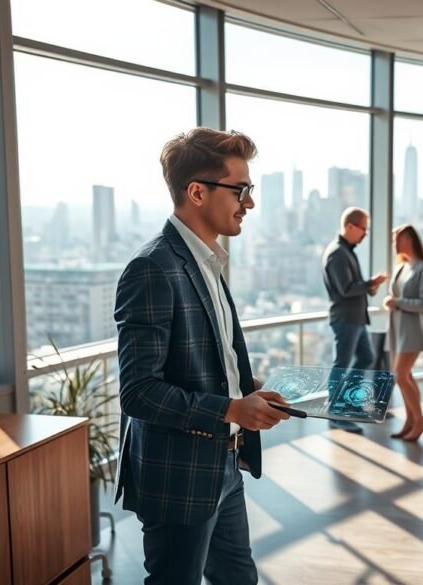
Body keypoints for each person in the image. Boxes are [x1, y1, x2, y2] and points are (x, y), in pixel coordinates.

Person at [114, 128, 292, 585]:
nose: (249, 202)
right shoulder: (153, 268)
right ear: (197, 192)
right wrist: (231, 408)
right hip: (179, 478)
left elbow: (201, 359)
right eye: (241, 189)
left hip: (224, 465)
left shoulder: (205, 260)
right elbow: (138, 392)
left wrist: (245, 391)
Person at [322, 207, 388, 433]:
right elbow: (345, 289)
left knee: (366, 357)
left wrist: (370, 286)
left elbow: (353, 287)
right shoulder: (337, 253)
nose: (365, 235)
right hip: (346, 319)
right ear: (350, 226)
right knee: (341, 364)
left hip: (356, 318)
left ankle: (346, 402)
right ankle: (336, 412)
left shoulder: (346, 251)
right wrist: (370, 283)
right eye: (363, 229)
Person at [383, 224, 423, 442]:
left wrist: (397, 302)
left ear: (410, 240)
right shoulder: (402, 267)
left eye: (399, 239)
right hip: (398, 328)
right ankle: (411, 420)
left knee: (401, 375)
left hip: (414, 330)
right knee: (406, 376)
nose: (395, 244)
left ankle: (420, 420)